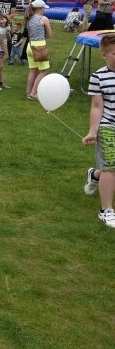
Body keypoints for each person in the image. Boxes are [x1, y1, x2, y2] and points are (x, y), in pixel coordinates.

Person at [82, 33, 115, 228]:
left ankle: (94, 175)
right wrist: (93, 131)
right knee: (111, 167)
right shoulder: (98, 77)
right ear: (104, 54)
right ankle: (106, 210)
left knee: (108, 168)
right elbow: (97, 106)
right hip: (108, 126)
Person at [25, 0, 53, 100]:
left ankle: (29, 91)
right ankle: (33, 93)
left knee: (33, 70)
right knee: (44, 71)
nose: (44, 10)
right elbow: (50, 34)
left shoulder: (29, 18)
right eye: (43, 8)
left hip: (30, 45)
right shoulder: (43, 18)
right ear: (40, 9)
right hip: (39, 46)